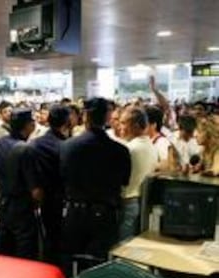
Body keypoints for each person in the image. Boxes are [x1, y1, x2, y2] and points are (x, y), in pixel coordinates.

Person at [60, 98, 131, 267]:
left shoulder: (67, 147)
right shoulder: (120, 150)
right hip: (105, 215)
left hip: (75, 213)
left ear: (85, 117)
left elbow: (62, 177)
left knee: (73, 262)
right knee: (100, 265)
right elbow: (124, 181)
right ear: (107, 117)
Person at [0, 109, 42, 260]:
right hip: (22, 208)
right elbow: (35, 191)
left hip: (2, 204)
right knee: (25, 252)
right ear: (29, 126)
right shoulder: (26, 149)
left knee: (4, 250)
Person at [29, 105, 71, 264]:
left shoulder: (34, 144)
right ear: (66, 123)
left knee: (46, 237)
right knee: (59, 239)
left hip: (40, 197)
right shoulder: (66, 146)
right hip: (61, 199)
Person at [118, 107, 157, 241]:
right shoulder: (151, 146)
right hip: (141, 201)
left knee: (121, 247)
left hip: (126, 202)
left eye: (123, 123)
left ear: (135, 125)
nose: (120, 126)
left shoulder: (129, 149)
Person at [145, 105, 174, 172]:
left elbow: (166, 164)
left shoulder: (162, 142)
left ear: (153, 125)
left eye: (144, 123)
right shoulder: (147, 139)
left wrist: (147, 167)